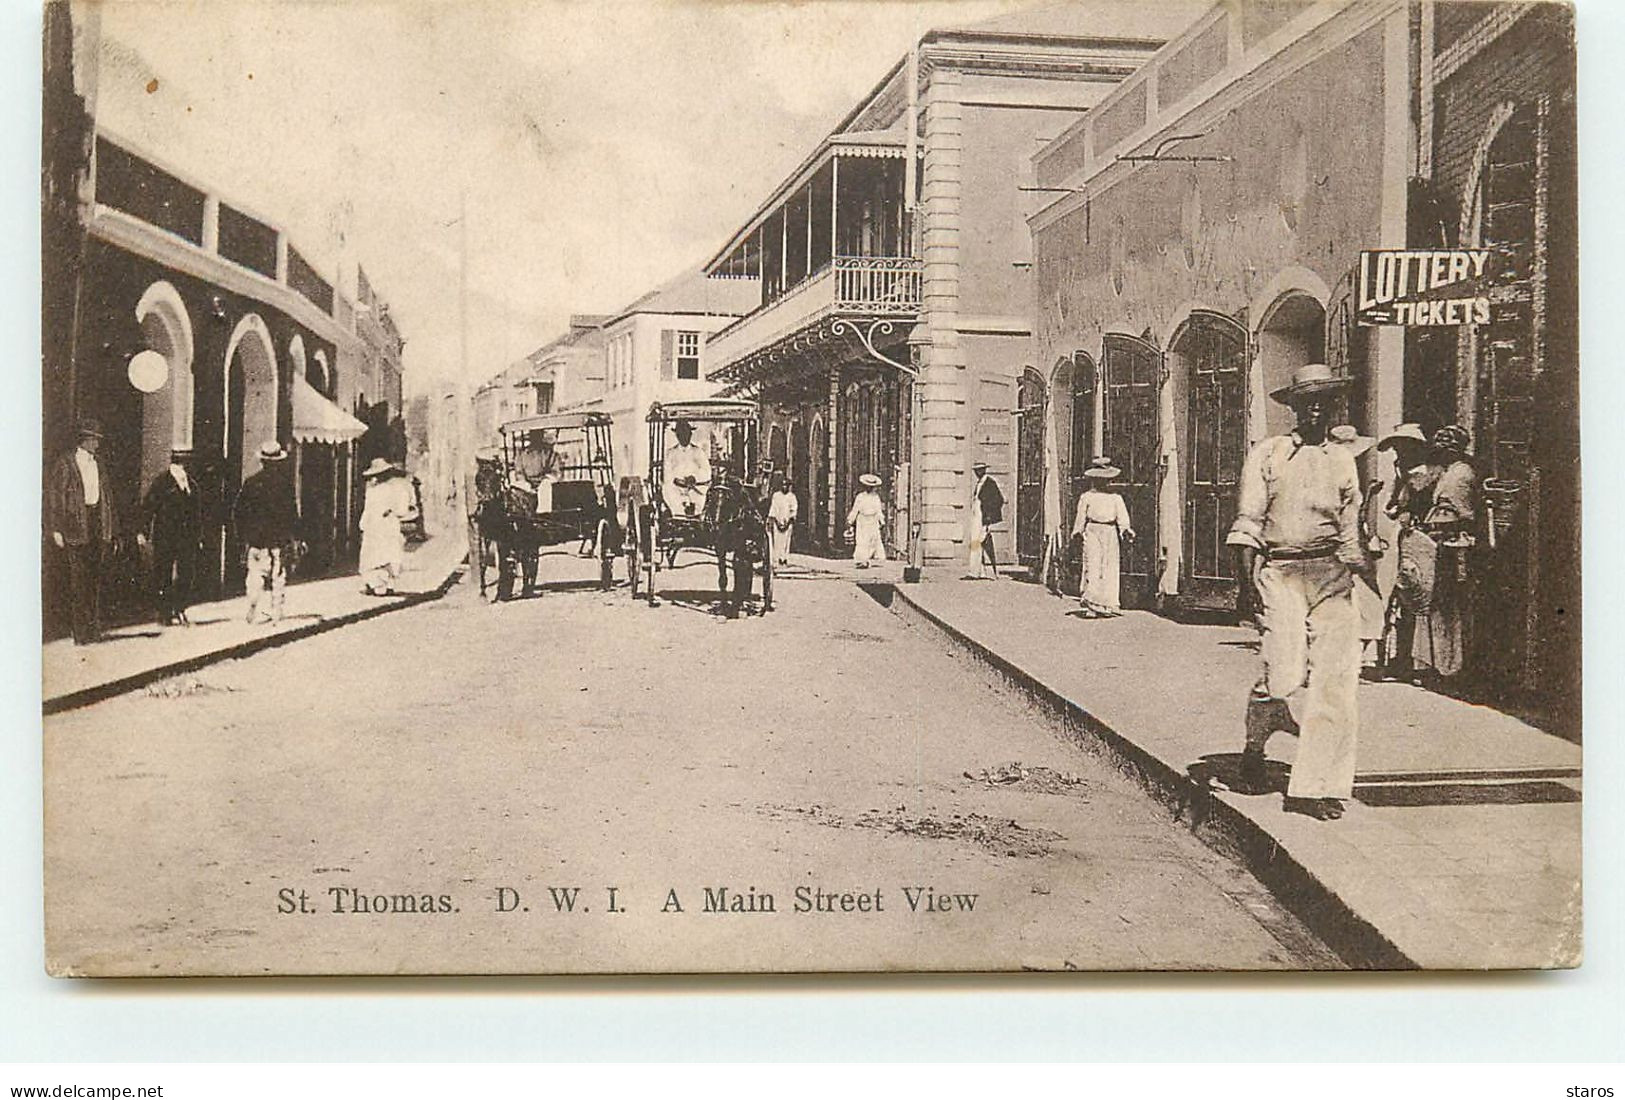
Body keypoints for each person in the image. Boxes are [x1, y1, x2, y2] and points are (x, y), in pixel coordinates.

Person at [1226, 363, 1375, 821]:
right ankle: (1256, 743)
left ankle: (1317, 786)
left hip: (1331, 575)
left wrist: (1366, 577)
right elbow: (1249, 521)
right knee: (1282, 675)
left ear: (1332, 407)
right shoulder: (1269, 454)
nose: (1314, 408)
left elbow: (1350, 531)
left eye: (1323, 400)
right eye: (1305, 400)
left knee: (1336, 682)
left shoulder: (1342, 459)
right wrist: (1246, 582)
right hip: (1281, 574)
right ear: (1293, 408)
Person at [1417, 424, 1479, 684]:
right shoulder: (1449, 472)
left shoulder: (1460, 474)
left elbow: (1457, 511)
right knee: (1442, 605)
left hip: (1455, 544)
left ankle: (1452, 667)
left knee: (1450, 605)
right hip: (1444, 543)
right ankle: (1444, 664)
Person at [45, 418, 117, 644]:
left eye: (97, 439)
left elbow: (107, 499)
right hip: (76, 527)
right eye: (94, 439)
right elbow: (55, 498)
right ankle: (80, 633)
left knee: (94, 579)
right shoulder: (66, 464)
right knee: (78, 581)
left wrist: (110, 527)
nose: (97, 443)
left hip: (96, 524)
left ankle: (93, 628)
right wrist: (56, 529)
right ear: (84, 440)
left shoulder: (99, 464)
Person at [1376, 423, 1437, 682]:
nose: (1399, 452)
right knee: (1399, 599)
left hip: (1419, 541)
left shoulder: (1422, 475)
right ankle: (1399, 660)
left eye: (1403, 447)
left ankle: (1416, 663)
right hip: (1402, 540)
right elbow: (1393, 506)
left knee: (1416, 599)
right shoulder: (1403, 475)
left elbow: (1416, 507)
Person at [234, 441, 301, 625]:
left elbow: (239, 511)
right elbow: (292, 513)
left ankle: (253, 605)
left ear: (262, 461)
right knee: (278, 576)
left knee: (255, 575)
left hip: (257, 540)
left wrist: (243, 536)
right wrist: (296, 535)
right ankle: (276, 611)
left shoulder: (251, 483)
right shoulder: (285, 485)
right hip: (279, 540)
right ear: (279, 462)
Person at [137, 446, 202, 626]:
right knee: (163, 574)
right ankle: (164, 612)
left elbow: (196, 513)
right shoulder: (162, 482)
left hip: (187, 538)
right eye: (186, 463)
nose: (188, 467)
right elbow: (148, 506)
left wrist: (198, 536)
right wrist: (143, 531)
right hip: (166, 536)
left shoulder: (191, 484)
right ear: (178, 463)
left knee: (187, 573)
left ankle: (180, 608)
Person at [1070, 456, 1134, 617]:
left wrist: (1125, 530)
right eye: (1099, 480)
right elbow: (1081, 517)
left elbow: (1123, 518)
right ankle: (1092, 603)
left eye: (1106, 480)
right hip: (1092, 531)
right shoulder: (1087, 497)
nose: (1102, 483)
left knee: (1110, 565)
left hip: (1110, 532)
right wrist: (1078, 532)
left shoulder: (1116, 498)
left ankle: (1109, 603)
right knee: (1092, 564)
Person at [705, 465, 763, 618]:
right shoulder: (723, 494)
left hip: (743, 543)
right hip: (733, 539)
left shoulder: (744, 498)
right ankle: (735, 604)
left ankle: (740, 603)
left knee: (743, 570)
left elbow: (755, 524)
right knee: (739, 567)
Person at [359, 458, 417, 596]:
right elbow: (403, 510)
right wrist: (393, 513)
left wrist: (363, 525)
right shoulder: (396, 490)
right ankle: (388, 585)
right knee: (389, 554)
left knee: (374, 555)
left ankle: (374, 585)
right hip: (389, 525)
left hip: (375, 526)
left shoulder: (372, 492)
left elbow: (368, 511)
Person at [664, 420, 711, 519]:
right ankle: (678, 518)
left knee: (700, 501)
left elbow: (706, 471)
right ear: (677, 435)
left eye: (686, 433)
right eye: (681, 434)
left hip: (696, 488)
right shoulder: (671, 453)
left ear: (690, 434)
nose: (684, 436)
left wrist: (695, 478)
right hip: (676, 488)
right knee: (670, 493)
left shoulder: (698, 452)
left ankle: (696, 518)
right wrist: (678, 481)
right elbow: (667, 474)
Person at [966, 461, 1006, 579]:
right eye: (975, 471)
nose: (977, 473)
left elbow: (999, 500)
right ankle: (980, 571)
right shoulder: (980, 483)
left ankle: (974, 572)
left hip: (983, 517)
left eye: (979, 470)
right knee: (976, 542)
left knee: (977, 542)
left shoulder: (990, 483)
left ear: (984, 470)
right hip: (976, 515)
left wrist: (989, 517)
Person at [515, 429, 566, 514]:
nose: (535, 439)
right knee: (515, 488)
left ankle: (543, 514)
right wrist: (526, 483)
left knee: (545, 487)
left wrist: (545, 479)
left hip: (544, 482)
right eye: (534, 437)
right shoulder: (522, 454)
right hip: (527, 483)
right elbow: (519, 472)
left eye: (538, 436)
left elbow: (556, 471)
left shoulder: (549, 453)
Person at [846, 473, 886, 568]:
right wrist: (850, 520)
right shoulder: (860, 497)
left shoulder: (875, 497)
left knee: (873, 539)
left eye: (871, 487)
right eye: (867, 486)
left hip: (873, 520)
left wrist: (882, 521)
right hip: (862, 520)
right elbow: (855, 509)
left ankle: (870, 558)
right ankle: (861, 560)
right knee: (861, 540)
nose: (869, 488)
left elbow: (878, 510)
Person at [767, 473, 798, 567]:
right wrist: (774, 520)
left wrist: (789, 521)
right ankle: (776, 559)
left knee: (786, 541)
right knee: (777, 540)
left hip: (787, 522)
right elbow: (773, 508)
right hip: (777, 521)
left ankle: (784, 558)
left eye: (786, 485)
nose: (784, 487)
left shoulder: (792, 497)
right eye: (783, 485)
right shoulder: (776, 496)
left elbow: (794, 509)